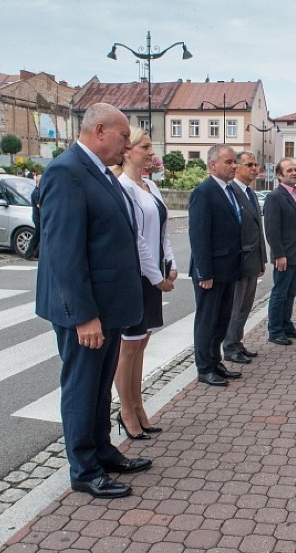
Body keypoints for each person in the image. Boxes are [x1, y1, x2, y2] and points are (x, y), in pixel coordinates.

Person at [36, 102, 152, 499]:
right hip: (85, 310)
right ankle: (84, 469)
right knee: (83, 388)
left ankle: (103, 450)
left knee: (101, 387)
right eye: (123, 136)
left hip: (109, 306)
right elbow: (63, 251)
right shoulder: (65, 171)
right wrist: (84, 315)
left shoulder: (99, 171)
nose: (126, 144)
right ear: (100, 130)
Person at [111, 128, 177, 439]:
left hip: (156, 271)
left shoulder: (150, 185)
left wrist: (172, 264)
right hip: (137, 276)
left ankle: (138, 405)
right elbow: (136, 238)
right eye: (145, 146)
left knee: (142, 344)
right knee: (128, 347)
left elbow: (163, 229)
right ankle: (126, 409)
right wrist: (156, 278)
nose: (151, 152)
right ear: (127, 151)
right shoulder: (123, 187)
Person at [189, 144, 244, 387]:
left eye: (235, 161)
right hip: (210, 271)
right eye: (229, 162)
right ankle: (204, 368)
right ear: (213, 165)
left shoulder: (229, 191)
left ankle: (215, 362)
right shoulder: (204, 191)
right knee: (207, 321)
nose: (235, 166)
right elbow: (199, 235)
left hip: (228, 269)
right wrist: (204, 272)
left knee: (221, 320)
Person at [222, 151, 267, 365]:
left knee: (246, 306)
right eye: (249, 164)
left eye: (255, 164)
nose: (254, 168)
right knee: (235, 306)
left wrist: (262, 259)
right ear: (237, 167)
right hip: (239, 261)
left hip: (252, 260)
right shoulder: (231, 192)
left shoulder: (250, 193)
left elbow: (258, 229)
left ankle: (237, 342)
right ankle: (229, 346)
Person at [263, 158, 296, 346]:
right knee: (280, 293)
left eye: (295, 169)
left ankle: (286, 325)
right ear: (279, 175)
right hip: (284, 256)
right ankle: (275, 331)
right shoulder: (275, 197)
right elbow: (272, 229)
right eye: (289, 170)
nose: (294, 172)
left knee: (291, 292)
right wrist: (278, 254)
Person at [23, 173, 42, 260]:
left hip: (38, 217)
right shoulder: (36, 193)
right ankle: (29, 254)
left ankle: (35, 253)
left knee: (38, 236)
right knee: (37, 236)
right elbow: (39, 206)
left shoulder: (38, 191)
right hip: (37, 217)